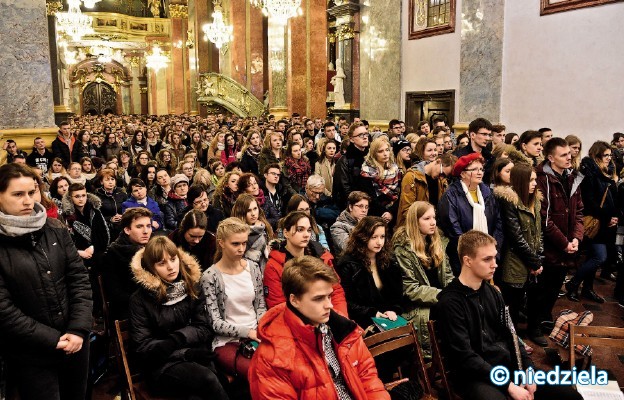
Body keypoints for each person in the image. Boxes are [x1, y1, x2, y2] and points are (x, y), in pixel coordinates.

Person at [434, 230, 582, 400]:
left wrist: (528, 369)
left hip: (505, 367)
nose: (495, 264)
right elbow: (465, 357)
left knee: (569, 395)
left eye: (494, 257)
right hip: (473, 376)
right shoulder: (450, 303)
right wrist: (508, 385)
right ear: (467, 261)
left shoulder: (493, 292)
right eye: (487, 259)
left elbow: (512, 335)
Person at [0, 163, 92, 400]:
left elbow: (78, 279)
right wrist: (53, 340)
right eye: (18, 194)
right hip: (31, 352)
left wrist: (78, 329)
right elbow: (4, 309)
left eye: (32, 192)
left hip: (75, 343)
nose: (28, 201)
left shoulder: (55, 228)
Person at [248, 255, 390, 399]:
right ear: (294, 300)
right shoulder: (271, 358)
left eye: (329, 296)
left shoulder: (342, 327)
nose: (329, 305)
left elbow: (368, 377)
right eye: (318, 298)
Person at [129, 236, 228, 400]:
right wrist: (182, 351)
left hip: (194, 354)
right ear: (150, 267)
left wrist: (178, 340)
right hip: (161, 366)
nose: (170, 267)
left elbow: (203, 327)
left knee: (207, 389)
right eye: (161, 263)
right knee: (207, 379)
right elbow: (143, 347)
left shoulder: (191, 285)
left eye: (173, 259)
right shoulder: (140, 299)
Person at [201, 218, 266, 378]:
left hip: (257, 334)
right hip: (227, 341)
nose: (241, 249)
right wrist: (247, 332)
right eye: (235, 244)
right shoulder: (210, 276)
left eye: (244, 243)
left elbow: (260, 306)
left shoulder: (253, 268)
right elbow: (215, 322)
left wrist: (261, 330)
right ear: (221, 243)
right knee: (259, 373)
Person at [534, 138, 584, 331]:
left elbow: (579, 211)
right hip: (550, 246)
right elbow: (544, 218)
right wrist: (564, 243)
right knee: (543, 287)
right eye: (563, 155)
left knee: (556, 286)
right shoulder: (542, 179)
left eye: (569, 154)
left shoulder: (573, 177)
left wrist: (576, 238)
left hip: (567, 243)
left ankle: (546, 314)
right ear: (550, 158)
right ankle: (538, 320)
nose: (569, 157)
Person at [393, 201, 453, 357]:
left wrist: (457, 292)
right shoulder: (403, 248)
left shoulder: (436, 241)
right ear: (415, 221)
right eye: (427, 219)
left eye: (434, 217)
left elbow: (448, 276)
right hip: (418, 307)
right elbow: (410, 289)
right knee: (454, 314)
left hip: (442, 299)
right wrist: (442, 295)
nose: (433, 222)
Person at [493, 164, 545, 345]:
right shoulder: (508, 201)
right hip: (515, 259)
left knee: (536, 297)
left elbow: (539, 231)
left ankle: (533, 329)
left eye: (535, 179)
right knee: (513, 301)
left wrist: (539, 257)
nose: (534, 183)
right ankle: (512, 338)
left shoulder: (535, 201)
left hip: (533, 258)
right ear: (520, 181)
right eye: (530, 180)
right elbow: (515, 236)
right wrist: (534, 261)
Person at [264, 211, 348, 316]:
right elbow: (278, 306)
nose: (306, 235)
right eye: (300, 230)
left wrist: (340, 319)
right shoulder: (274, 265)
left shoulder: (321, 255)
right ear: (286, 233)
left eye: (309, 230)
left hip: (329, 315)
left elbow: (336, 291)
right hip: (297, 323)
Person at [565, 141, 619, 303]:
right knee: (599, 257)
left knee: (593, 258)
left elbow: (613, 199)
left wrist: (615, 216)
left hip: (606, 224)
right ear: (596, 155)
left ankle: (587, 288)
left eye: (610, 155)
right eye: (605, 155)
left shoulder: (607, 173)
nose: (609, 158)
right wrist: (607, 217)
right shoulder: (590, 173)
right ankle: (573, 284)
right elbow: (589, 201)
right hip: (595, 223)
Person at [438, 153, 503, 275]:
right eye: (474, 169)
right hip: (464, 257)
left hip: (489, 253)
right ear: (462, 174)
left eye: (481, 169)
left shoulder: (487, 192)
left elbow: (498, 222)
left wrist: (494, 249)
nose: (480, 172)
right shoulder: (451, 195)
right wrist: (474, 254)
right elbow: (453, 229)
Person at [336, 216, 403, 330]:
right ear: (363, 237)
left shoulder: (389, 260)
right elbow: (348, 302)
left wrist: (392, 310)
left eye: (382, 237)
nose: (379, 242)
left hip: (387, 316)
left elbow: (397, 295)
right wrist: (372, 313)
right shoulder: (348, 264)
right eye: (374, 237)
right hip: (362, 319)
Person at [102, 208, 153, 320]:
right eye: (139, 227)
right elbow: (115, 293)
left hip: (153, 306)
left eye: (148, 226)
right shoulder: (113, 253)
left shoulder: (152, 249)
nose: (146, 231)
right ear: (127, 230)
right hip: (129, 311)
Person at [396, 152, 455, 226]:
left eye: (445, 176)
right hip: (412, 226)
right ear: (438, 161)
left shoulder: (442, 181)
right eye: (442, 173)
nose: (441, 177)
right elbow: (407, 210)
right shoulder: (412, 177)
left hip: (433, 225)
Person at [360, 136, 401, 223]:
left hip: (395, 212)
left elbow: (400, 193)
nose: (385, 154)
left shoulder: (395, 169)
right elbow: (370, 198)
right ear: (374, 154)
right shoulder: (366, 172)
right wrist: (385, 213)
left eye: (387, 150)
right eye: (380, 151)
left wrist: (391, 212)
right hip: (375, 215)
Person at [231, 193, 274, 269]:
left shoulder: (265, 226)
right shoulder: (237, 233)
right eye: (248, 211)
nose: (253, 214)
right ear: (241, 212)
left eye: (255, 208)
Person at [333, 122, 369, 209]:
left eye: (366, 134)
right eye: (360, 135)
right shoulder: (344, 160)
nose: (365, 137)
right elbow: (344, 189)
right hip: (353, 206)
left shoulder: (371, 157)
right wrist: (357, 205)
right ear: (352, 139)